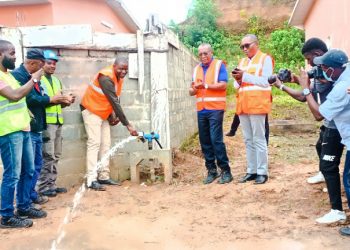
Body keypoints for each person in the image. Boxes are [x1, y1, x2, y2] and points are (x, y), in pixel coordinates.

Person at [272, 38, 346, 224]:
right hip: (332, 122)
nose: (308, 64)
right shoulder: (326, 71)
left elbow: (308, 100)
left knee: (331, 165)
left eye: (308, 59)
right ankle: (326, 175)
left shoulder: (330, 74)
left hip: (335, 124)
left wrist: (291, 86)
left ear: (318, 55)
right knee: (320, 146)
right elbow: (307, 89)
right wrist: (292, 80)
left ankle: (337, 209)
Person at [298, 49, 350, 235]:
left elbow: (318, 114)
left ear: (335, 69)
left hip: (344, 133)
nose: (321, 70)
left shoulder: (341, 88)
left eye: (325, 67)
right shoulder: (345, 72)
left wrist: (306, 89)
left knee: (347, 178)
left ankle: (340, 214)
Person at [11, 48, 69, 204]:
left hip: (39, 126)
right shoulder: (19, 76)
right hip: (27, 127)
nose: (46, 67)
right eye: (44, 63)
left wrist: (62, 100)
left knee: (36, 164)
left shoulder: (40, 78)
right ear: (32, 63)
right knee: (27, 169)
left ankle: (31, 196)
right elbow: (30, 99)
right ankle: (25, 202)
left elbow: (41, 98)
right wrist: (51, 99)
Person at [0, 40, 46, 228]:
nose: (15, 57)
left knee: (28, 170)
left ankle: (24, 206)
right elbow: (15, 95)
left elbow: (20, 100)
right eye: (11, 53)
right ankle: (6, 216)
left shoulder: (9, 75)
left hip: (23, 129)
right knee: (12, 175)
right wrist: (34, 79)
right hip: (9, 132)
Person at [81, 56, 138, 191]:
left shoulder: (118, 78)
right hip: (91, 110)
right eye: (121, 69)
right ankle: (91, 179)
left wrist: (112, 115)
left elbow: (112, 99)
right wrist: (128, 125)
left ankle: (103, 176)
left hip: (102, 113)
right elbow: (114, 101)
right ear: (114, 66)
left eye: (126, 69)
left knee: (105, 144)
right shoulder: (106, 77)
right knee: (94, 143)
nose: (123, 72)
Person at [189, 43, 233, 184]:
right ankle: (211, 171)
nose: (203, 56)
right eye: (200, 54)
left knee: (216, 140)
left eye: (205, 53)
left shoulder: (219, 65)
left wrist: (205, 86)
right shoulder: (196, 69)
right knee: (205, 141)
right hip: (202, 109)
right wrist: (194, 89)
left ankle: (226, 171)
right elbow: (191, 91)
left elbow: (223, 85)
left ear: (211, 53)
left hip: (215, 108)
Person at [232, 34, 273, 184]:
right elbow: (236, 86)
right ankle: (252, 170)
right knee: (248, 140)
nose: (244, 49)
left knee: (259, 139)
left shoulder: (265, 59)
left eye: (247, 45)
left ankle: (262, 172)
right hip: (243, 105)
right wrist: (238, 79)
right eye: (242, 46)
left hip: (257, 105)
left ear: (256, 44)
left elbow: (266, 82)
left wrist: (245, 76)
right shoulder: (242, 62)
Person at [36, 50, 74, 198]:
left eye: (54, 63)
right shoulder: (38, 80)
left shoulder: (57, 81)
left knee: (56, 154)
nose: (52, 66)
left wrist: (67, 101)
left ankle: (52, 184)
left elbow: (58, 103)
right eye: (49, 63)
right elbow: (38, 101)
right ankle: (43, 187)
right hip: (47, 122)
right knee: (48, 155)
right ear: (42, 63)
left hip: (58, 121)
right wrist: (57, 100)